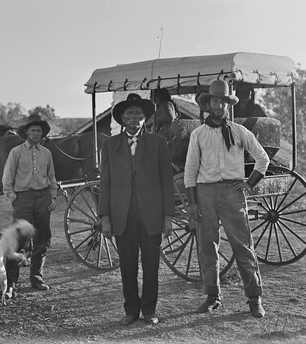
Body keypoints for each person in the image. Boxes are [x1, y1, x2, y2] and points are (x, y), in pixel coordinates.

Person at [184, 79, 270, 318]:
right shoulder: (198, 134)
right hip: (205, 193)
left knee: (243, 246)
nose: (218, 105)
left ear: (228, 105)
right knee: (207, 247)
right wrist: (192, 203)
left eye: (223, 101)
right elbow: (190, 170)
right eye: (214, 101)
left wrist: (249, 182)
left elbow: (263, 159)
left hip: (232, 193)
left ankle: (255, 299)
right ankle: (213, 297)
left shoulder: (240, 132)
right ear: (208, 104)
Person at [100, 93, 175, 325]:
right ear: (122, 119)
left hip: (151, 215)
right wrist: (105, 217)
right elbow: (105, 183)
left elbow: (166, 181)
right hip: (122, 215)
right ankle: (131, 310)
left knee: (151, 265)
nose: (134, 118)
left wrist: (168, 216)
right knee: (127, 265)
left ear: (145, 118)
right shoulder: (110, 145)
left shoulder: (158, 143)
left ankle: (150, 310)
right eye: (130, 114)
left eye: (139, 114)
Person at [1, 114, 58, 295]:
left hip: (43, 198)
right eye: (32, 130)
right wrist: (13, 197)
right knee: (18, 240)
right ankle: (11, 283)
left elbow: (51, 178)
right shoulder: (16, 152)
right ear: (26, 132)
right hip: (23, 198)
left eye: (39, 131)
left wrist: (53, 197)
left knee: (42, 239)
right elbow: (7, 178)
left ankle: (36, 279)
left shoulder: (47, 153)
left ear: (42, 134)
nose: (35, 134)